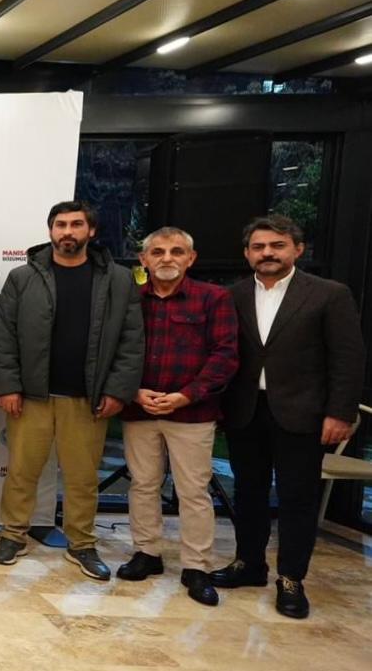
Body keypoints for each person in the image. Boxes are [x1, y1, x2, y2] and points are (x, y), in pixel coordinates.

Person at [212, 214, 365, 619]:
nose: (267, 253)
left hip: (303, 413)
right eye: (258, 247)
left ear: (297, 249)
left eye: (277, 245)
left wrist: (340, 412)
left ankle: (292, 578)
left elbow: (348, 359)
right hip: (245, 411)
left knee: (298, 498)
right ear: (247, 254)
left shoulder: (328, 294)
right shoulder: (232, 295)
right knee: (248, 492)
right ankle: (249, 564)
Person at [0, 201, 142, 580]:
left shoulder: (118, 280)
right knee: (21, 472)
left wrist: (117, 391)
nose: (67, 232)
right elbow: (3, 336)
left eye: (76, 224)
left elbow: (131, 340)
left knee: (82, 478)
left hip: (87, 400)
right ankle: (12, 535)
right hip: (32, 398)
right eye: (60, 225)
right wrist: (8, 386)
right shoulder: (23, 277)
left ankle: (82, 544)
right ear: (51, 231)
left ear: (91, 231)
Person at [117, 227, 238, 606]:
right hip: (139, 408)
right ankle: (147, 553)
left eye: (176, 251)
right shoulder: (131, 300)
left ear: (191, 258)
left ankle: (196, 566)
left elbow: (225, 355)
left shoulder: (213, 299)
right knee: (143, 485)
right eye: (157, 252)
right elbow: (114, 350)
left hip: (192, 413)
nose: (166, 258)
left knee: (193, 492)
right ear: (144, 260)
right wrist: (133, 391)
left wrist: (186, 396)